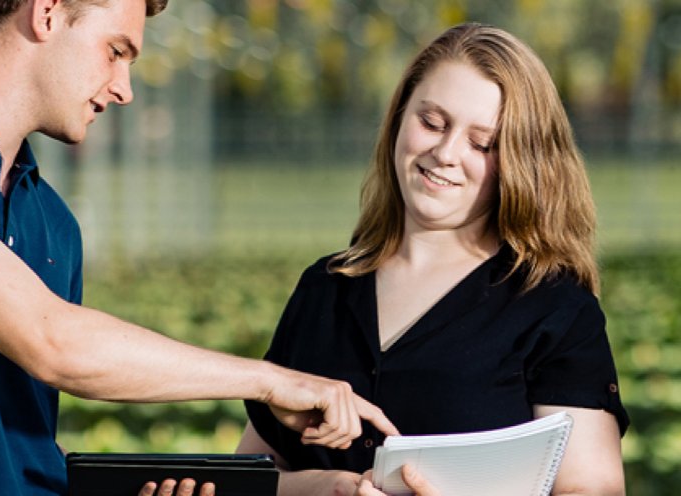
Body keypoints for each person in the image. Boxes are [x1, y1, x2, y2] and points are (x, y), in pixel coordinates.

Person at [0, 1, 399, 495]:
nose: (124, 89)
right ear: (46, 12)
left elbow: (17, 445)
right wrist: (271, 382)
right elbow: (53, 343)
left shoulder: (53, 224)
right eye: (116, 51)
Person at [237, 22, 630, 496]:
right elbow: (256, 474)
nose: (445, 153)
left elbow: (593, 490)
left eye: (482, 144)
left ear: (521, 162)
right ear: (399, 117)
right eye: (432, 122)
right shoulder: (324, 287)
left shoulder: (553, 308)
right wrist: (328, 486)